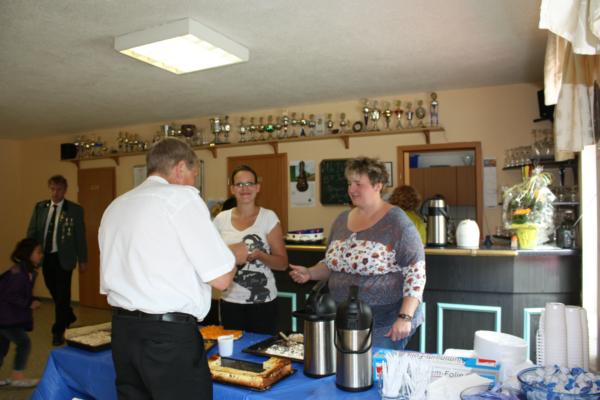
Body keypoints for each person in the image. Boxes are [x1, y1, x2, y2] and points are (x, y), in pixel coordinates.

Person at [99, 138, 245, 400]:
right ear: (180, 168)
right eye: (194, 175)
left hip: (123, 332)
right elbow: (222, 279)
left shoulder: (115, 206)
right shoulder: (181, 198)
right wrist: (232, 255)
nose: (193, 183)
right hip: (166, 337)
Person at [290, 157, 426, 349]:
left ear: (378, 185)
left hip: (385, 323)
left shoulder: (397, 221)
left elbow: (415, 272)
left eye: (358, 184)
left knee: (372, 368)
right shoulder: (341, 220)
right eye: (349, 183)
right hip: (343, 319)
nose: (352, 189)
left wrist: (405, 317)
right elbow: (332, 263)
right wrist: (310, 272)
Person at [213, 165, 288, 334]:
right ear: (232, 189)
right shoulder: (220, 219)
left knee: (262, 348)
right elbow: (212, 258)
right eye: (239, 184)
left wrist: (260, 255)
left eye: (249, 184)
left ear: (257, 187)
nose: (245, 189)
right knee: (233, 349)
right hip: (230, 301)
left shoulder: (268, 217)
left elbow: (282, 263)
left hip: (263, 303)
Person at [26, 175, 87, 346]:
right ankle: (68, 314)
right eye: (52, 189)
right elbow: (32, 232)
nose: (55, 193)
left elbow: (80, 237)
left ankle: (58, 331)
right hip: (46, 257)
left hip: (64, 258)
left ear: (65, 190)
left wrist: (83, 259)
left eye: (59, 189)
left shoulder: (74, 210)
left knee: (62, 294)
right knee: (55, 291)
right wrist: (29, 255)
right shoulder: (40, 208)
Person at [0, 238, 42, 388]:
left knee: (1, 346)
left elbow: (21, 292)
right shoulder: (18, 273)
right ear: (28, 254)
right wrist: (29, 303)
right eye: (38, 252)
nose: (41, 255)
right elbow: (9, 295)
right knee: (24, 343)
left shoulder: (26, 271)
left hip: (7, 316)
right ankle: (17, 377)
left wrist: (31, 300)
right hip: (5, 318)